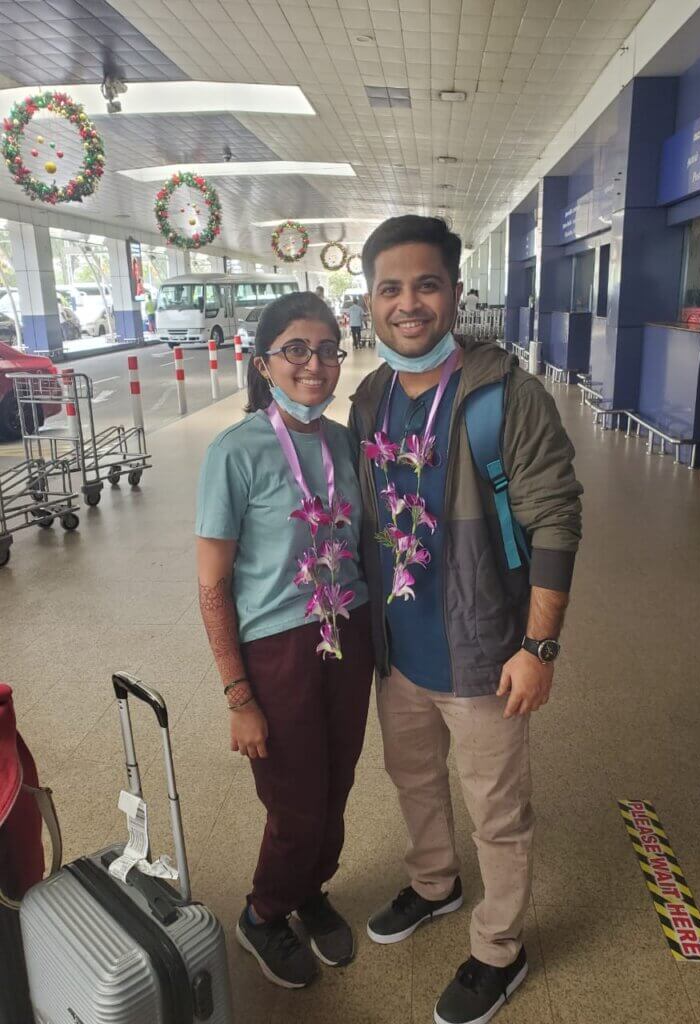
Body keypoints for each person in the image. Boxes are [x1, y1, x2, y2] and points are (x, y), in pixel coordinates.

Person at [348, 216, 582, 1024]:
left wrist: (539, 646)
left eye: (425, 285)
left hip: (482, 652)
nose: (407, 303)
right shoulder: (371, 397)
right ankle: (434, 884)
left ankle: (500, 949)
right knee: (412, 780)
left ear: (453, 292)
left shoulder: (506, 396)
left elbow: (556, 519)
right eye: (390, 288)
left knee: (498, 812)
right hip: (398, 651)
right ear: (370, 301)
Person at [196, 291, 374, 990]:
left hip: (347, 633)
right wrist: (238, 695)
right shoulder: (235, 452)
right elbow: (213, 584)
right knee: (295, 802)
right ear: (263, 363)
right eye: (295, 349)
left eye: (327, 349)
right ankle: (264, 911)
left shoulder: (344, 443)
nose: (314, 364)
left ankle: (309, 890)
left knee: (336, 782)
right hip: (278, 650)